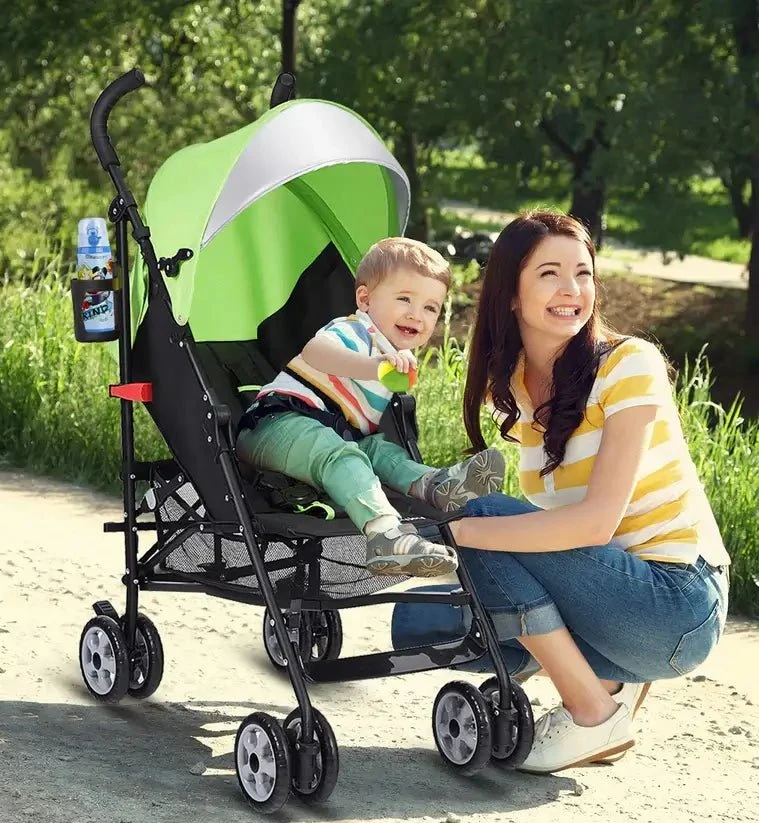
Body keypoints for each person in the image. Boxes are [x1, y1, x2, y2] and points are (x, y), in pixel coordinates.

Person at [390, 210, 730, 772]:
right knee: (418, 626)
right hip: (609, 595)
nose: (572, 289)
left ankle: (593, 710)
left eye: (583, 273)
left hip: (676, 603)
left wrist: (457, 534)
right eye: (550, 274)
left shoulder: (629, 364)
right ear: (511, 295)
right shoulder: (516, 388)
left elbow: (594, 524)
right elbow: (546, 532)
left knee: (484, 522)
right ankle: (609, 679)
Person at [236, 237, 506, 577]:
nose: (416, 314)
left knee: (381, 451)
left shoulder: (396, 355)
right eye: (404, 299)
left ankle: (434, 486)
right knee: (344, 454)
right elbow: (316, 352)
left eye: (430, 308)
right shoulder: (355, 330)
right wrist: (373, 366)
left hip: (335, 432)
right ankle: (385, 533)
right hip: (276, 424)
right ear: (365, 299)